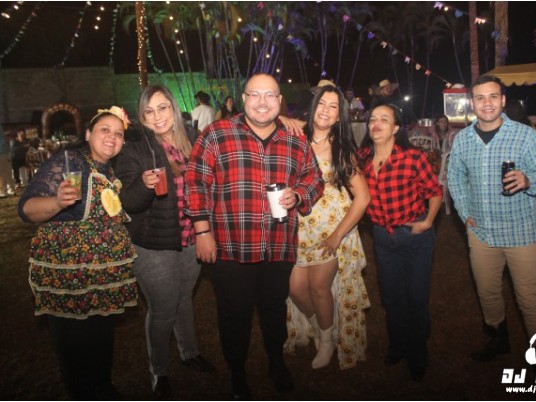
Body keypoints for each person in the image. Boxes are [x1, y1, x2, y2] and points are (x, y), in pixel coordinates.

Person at [184, 73, 324, 399]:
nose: (262, 102)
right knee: (234, 316)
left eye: (270, 95)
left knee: (274, 311)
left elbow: (315, 179)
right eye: (255, 95)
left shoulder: (295, 140)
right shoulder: (217, 134)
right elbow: (195, 181)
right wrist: (202, 230)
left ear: (279, 101)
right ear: (244, 99)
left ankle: (277, 363)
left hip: (278, 245)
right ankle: (237, 374)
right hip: (231, 247)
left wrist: (299, 195)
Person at [17, 106, 138, 400]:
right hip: (68, 273)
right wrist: (58, 203)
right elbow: (27, 208)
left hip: (103, 274)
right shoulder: (68, 161)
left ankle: (103, 387)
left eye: (118, 133)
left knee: (101, 336)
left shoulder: (110, 171)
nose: (112, 137)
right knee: (74, 344)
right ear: (87, 134)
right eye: (104, 130)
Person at [113, 84, 215, 398]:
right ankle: (159, 371)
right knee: (163, 308)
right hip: (153, 243)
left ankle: (189, 352)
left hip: (191, 238)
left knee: (184, 298)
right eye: (149, 111)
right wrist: (144, 185)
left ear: (173, 107)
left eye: (162, 108)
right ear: (141, 116)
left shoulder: (193, 139)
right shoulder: (135, 146)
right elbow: (129, 202)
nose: (157, 117)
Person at [447, 75, 536, 363]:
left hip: (521, 233)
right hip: (481, 234)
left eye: (493, 96)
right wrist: (465, 213)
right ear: (472, 103)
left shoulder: (525, 135)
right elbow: (455, 178)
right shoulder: (463, 139)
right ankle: (499, 339)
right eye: (480, 97)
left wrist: (528, 180)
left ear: (503, 100)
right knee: (488, 294)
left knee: (530, 299)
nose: (487, 103)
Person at [285, 85, 371, 370]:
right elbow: (264, 119)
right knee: (296, 289)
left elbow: (363, 197)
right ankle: (320, 325)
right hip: (296, 228)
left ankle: (326, 342)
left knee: (319, 288)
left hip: (329, 230)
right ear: (313, 107)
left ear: (339, 115)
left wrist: (336, 236)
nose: (326, 110)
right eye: (322, 103)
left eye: (333, 106)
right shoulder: (295, 136)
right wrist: (285, 118)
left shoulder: (341, 149)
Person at [358, 103, 442, 382]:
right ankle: (398, 344)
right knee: (392, 297)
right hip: (383, 239)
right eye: (373, 119)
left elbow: (435, 191)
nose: (376, 123)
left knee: (416, 298)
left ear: (396, 128)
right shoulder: (362, 159)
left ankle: (418, 350)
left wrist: (428, 222)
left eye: (384, 119)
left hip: (414, 237)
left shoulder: (412, 157)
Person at [0, 123, 16, 197]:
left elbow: (3, 139)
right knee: (5, 172)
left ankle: (5, 190)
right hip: (4, 151)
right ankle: (9, 190)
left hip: (2, 152)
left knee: (4, 172)